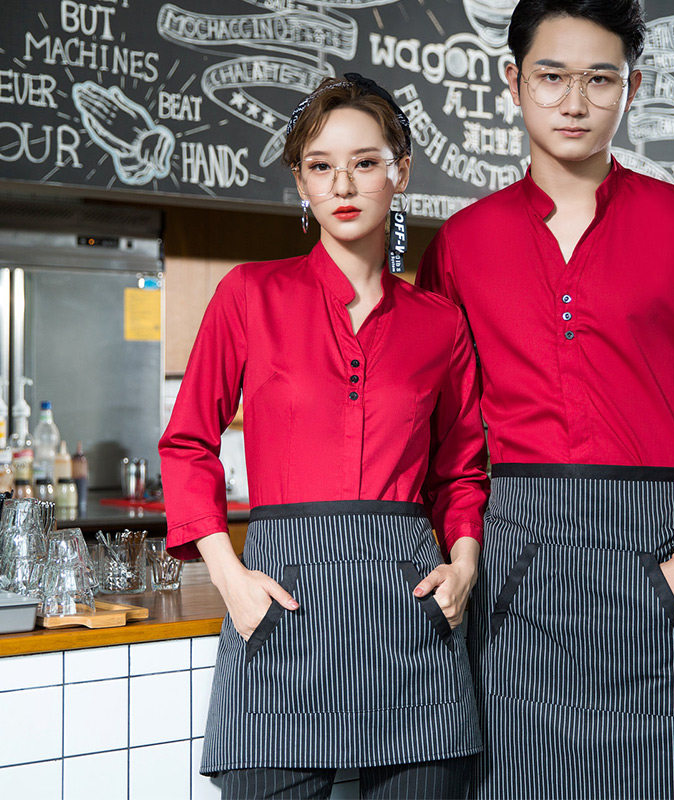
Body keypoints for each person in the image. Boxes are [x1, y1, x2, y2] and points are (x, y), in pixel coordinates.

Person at [416, 2, 674, 798]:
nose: (575, 102)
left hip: (659, 551)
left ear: (630, 89)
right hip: (517, 562)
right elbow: (447, 426)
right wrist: (461, 548)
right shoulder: (461, 242)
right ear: (513, 82)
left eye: (600, 80)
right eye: (552, 77)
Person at [159, 74, 489, 800]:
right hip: (278, 610)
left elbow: (461, 471)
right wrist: (230, 578)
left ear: (401, 172)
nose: (342, 184)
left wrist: (464, 564)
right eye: (320, 165)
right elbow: (186, 444)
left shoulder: (439, 323)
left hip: (410, 619)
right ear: (300, 182)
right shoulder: (249, 294)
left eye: (365, 162)